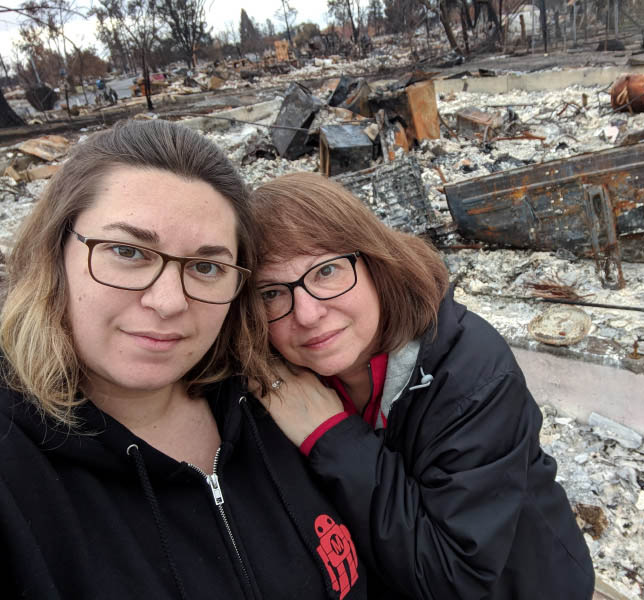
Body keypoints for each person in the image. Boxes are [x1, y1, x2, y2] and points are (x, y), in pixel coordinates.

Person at [0, 121, 367, 600]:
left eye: (206, 266)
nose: (169, 301)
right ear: (55, 252)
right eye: (128, 252)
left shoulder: (279, 397)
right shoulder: (14, 470)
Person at [250, 173, 595, 600]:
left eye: (327, 271)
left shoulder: (472, 374)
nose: (306, 313)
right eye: (271, 293)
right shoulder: (279, 378)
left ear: (374, 262)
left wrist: (333, 438)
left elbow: (455, 576)